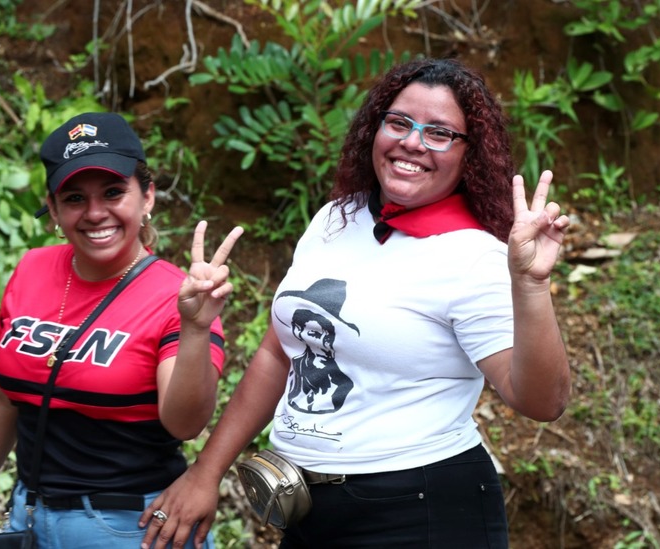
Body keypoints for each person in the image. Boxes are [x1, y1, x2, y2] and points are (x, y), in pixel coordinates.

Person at [138, 57, 571, 549]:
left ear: (468, 154)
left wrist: (531, 285)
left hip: (421, 513)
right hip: (309, 512)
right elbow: (278, 353)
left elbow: (542, 402)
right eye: (399, 122)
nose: (413, 142)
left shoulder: (473, 256)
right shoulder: (336, 219)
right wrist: (206, 471)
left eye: (439, 133)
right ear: (374, 128)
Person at [0, 111, 243, 549]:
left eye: (114, 192)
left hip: (131, 527)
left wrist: (196, 330)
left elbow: (184, 424)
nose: (96, 213)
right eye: (75, 198)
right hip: (28, 515)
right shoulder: (31, 269)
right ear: (53, 208)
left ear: (147, 197)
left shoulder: (179, 297)